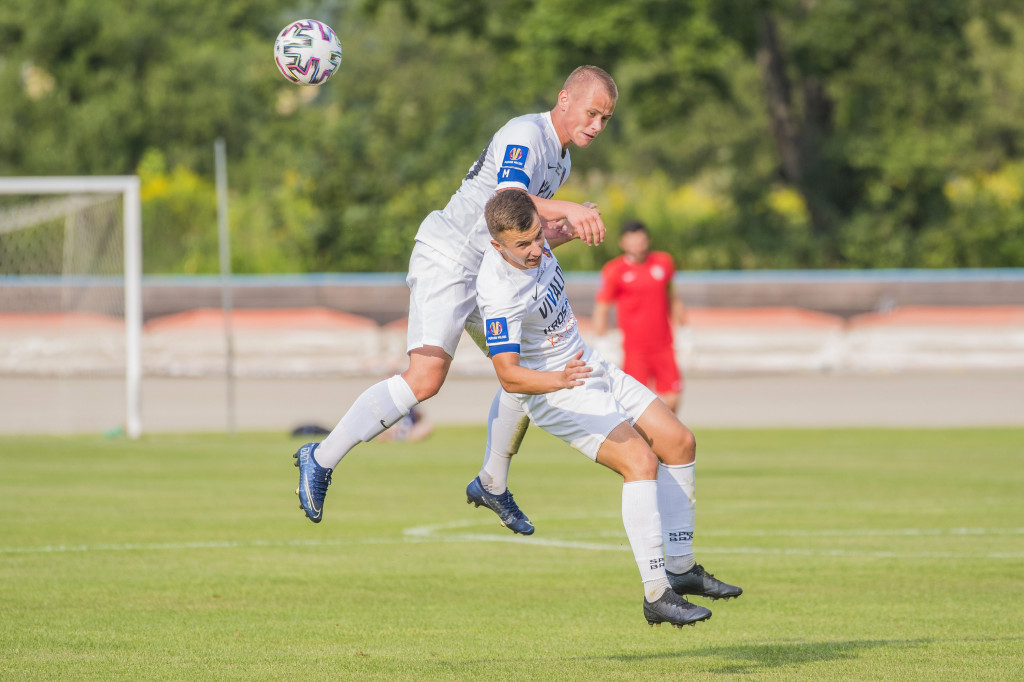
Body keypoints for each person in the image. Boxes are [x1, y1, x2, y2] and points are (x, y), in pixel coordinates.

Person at [293, 66, 617, 528]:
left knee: (526, 371)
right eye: (592, 113)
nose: (597, 126)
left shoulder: (561, 161)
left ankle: (492, 483)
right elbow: (508, 195)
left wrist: (561, 232)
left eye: (605, 119)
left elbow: (517, 232)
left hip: (490, 274)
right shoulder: (527, 134)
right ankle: (320, 458)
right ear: (564, 98)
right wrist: (566, 207)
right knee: (425, 379)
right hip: (448, 258)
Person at [474, 190, 741, 627]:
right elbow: (509, 375)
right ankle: (657, 593)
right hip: (557, 391)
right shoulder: (498, 295)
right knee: (639, 460)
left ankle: (681, 566)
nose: (535, 251)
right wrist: (559, 379)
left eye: (537, 237)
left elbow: (543, 241)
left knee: (679, 441)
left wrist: (570, 230)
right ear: (496, 246)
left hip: (588, 364)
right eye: (522, 246)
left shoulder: (531, 246)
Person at [592, 221, 687, 412]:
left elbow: (673, 298)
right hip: (634, 350)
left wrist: (685, 330)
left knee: (673, 400)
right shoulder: (614, 270)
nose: (637, 244)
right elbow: (602, 308)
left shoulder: (663, 262)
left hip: (664, 346)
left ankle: (666, 441)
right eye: (632, 240)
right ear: (623, 243)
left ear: (647, 240)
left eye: (640, 239)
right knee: (637, 406)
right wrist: (602, 340)